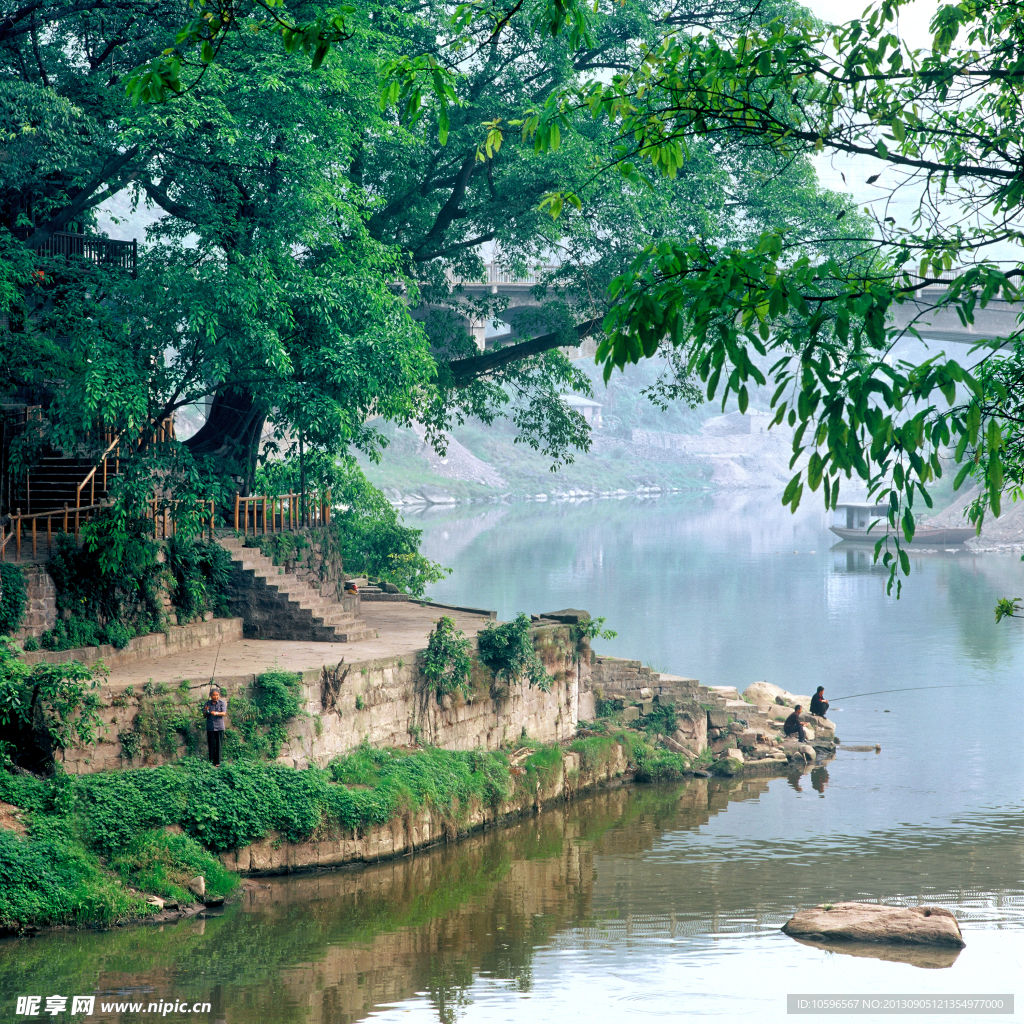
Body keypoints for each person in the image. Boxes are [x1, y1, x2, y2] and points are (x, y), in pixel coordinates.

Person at [204, 687, 227, 766]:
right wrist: (205, 710)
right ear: (210, 695)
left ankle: (218, 762)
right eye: (214, 695)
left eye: (217, 695)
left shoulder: (221, 703)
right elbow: (204, 715)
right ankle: (211, 761)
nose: (216, 697)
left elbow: (224, 713)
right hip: (210, 727)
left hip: (220, 727)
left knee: (219, 744)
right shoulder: (207, 704)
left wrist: (216, 713)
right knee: (211, 744)